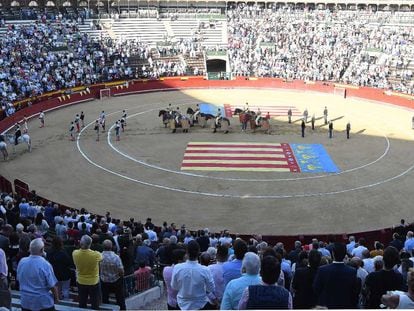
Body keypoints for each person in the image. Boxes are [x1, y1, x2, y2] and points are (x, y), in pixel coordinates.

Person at [171, 240, 216, 310]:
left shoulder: (177, 268)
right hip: (200, 305)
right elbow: (211, 288)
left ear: (187, 253)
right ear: (199, 253)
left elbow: (174, 286)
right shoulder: (205, 270)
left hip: (182, 304)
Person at [313, 242, 360, 309]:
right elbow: (354, 293)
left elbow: (316, 289)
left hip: (327, 305)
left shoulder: (322, 270)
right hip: (345, 306)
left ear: (333, 253)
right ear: (345, 254)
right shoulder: (352, 271)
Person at [17, 238, 59, 311]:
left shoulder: (22, 262)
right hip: (42, 303)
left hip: (26, 302)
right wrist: (56, 298)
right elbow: (52, 285)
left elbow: (19, 279)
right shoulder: (45, 264)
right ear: (42, 250)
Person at [72, 235, 102, 310]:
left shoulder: (75, 253)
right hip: (93, 282)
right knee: (95, 303)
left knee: (82, 303)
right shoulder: (96, 254)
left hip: (81, 281)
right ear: (90, 244)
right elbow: (101, 257)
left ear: (80, 243)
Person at [100, 240, 126, 310]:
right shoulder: (116, 257)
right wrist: (121, 276)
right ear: (111, 247)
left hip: (104, 280)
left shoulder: (99, 256)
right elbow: (121, 270)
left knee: (105, 298)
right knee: (120, 298)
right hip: (116, 280)